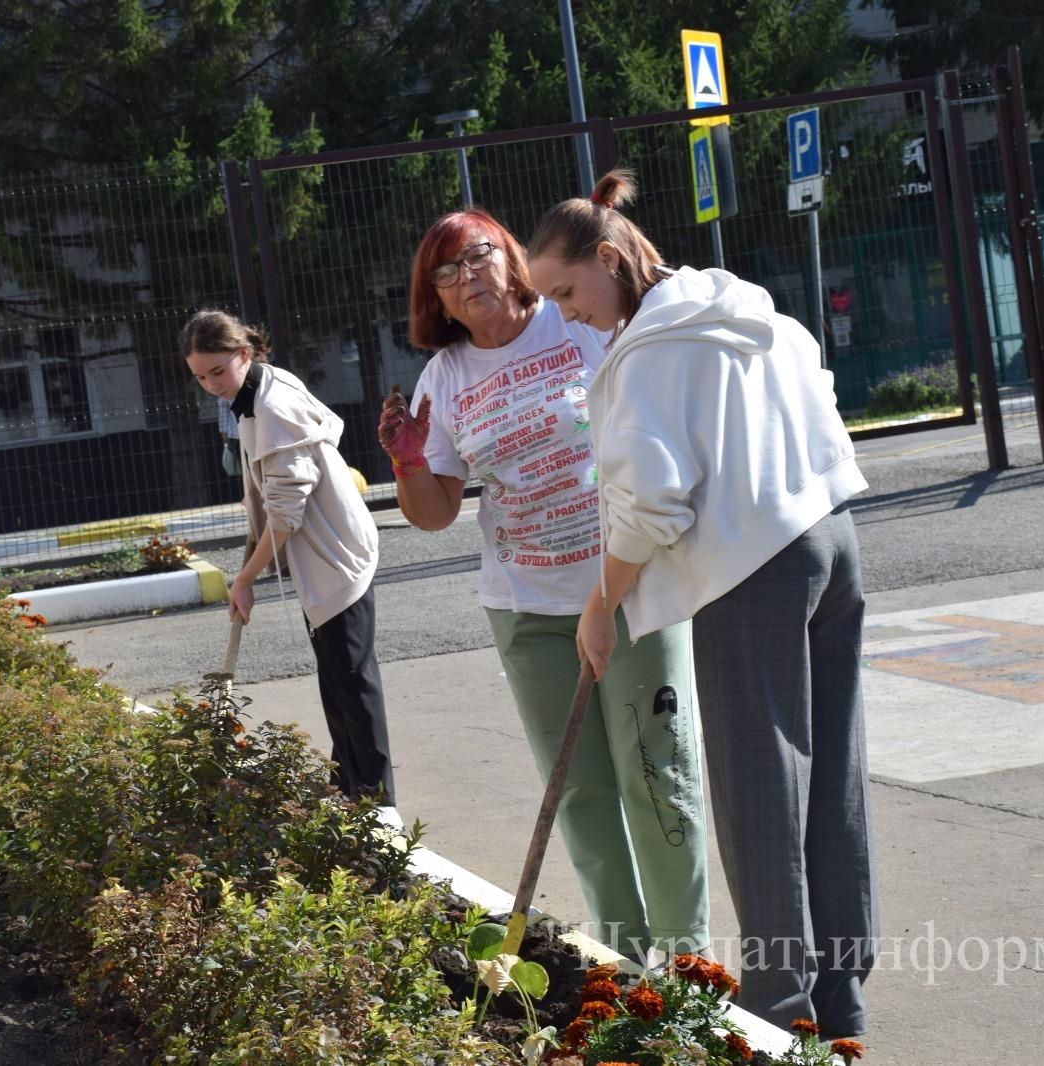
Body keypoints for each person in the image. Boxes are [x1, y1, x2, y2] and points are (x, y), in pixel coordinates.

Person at [526, 170, 878, 1037]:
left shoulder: (649, 355)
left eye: (567, 291)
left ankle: (777, 1011)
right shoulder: (743, 304)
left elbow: (653, 502)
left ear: (610, 258)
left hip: (750, 569)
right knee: (832, 776)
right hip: (832, 540)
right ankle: (840, 1003)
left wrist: (601, 604)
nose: (565, 313)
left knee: (760, 795)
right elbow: (823, 400)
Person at [378, 207, 709, 962]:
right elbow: (432, 515)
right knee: (581, 793)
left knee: (659, 773)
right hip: (527, 611)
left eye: (478, 257)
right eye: (447, 273)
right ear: (435, 296)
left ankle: (690, 966)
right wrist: (407, 460)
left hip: (631, 590)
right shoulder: (446, 377)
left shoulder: (579, 326)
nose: (467, 281)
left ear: (511, 257)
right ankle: (630, 964)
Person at [181, 309, 395, 811]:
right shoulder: (257, 393)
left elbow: (285, 517)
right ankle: (348, 788)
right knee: (335, 677)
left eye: (218, 370)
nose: (211, 384)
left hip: (335, 556)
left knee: (352, 677)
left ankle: (378, 802)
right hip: (321, 555)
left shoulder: (271, 406)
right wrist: (248, 571)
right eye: (200, 376)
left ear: (244, 353)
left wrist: (245, 579)